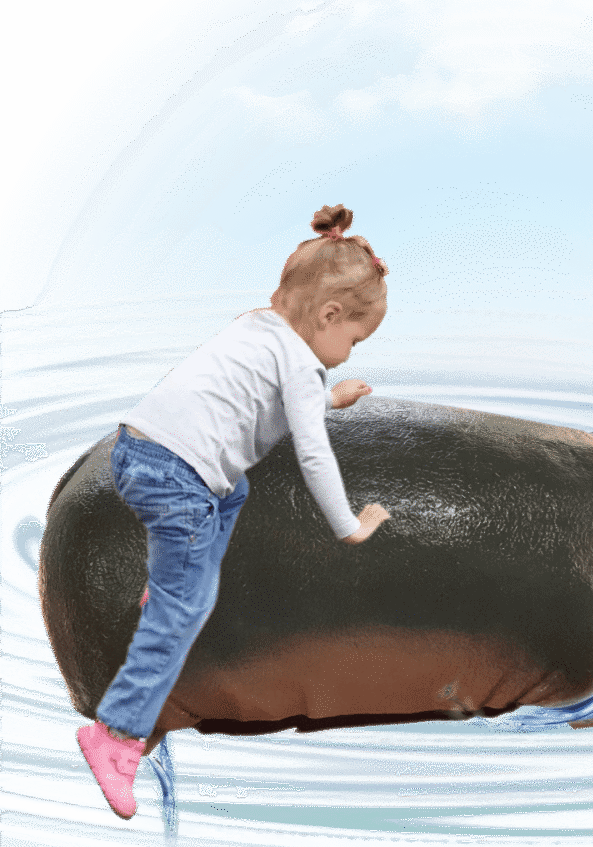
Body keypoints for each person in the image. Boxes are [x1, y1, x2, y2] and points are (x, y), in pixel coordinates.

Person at [75, 204, 390, 820]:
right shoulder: (303, 364)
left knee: (235, 489)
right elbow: (313, 454)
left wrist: (330, 398)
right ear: (328, 316)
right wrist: (349, 526)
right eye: (352, 340)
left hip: (138, 451)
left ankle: (164, 588)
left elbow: (261, 397)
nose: (348, 355)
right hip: (180, 479)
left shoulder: (259, 325)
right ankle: (114, 735)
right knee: (186, 609)